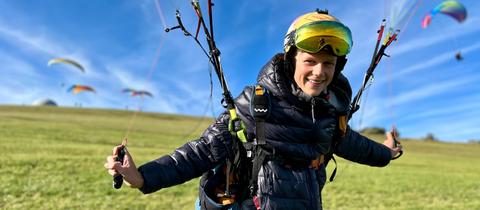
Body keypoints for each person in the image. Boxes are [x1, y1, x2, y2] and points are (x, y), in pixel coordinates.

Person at [105, 10, 403, 210]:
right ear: (291, 60)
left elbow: (358, 147)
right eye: (310, 61)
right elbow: (201, 152)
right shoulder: (255, 104)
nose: (319, 72)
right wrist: (142, 177)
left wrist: (387, 152)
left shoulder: (330, 115)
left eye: (328, 64)